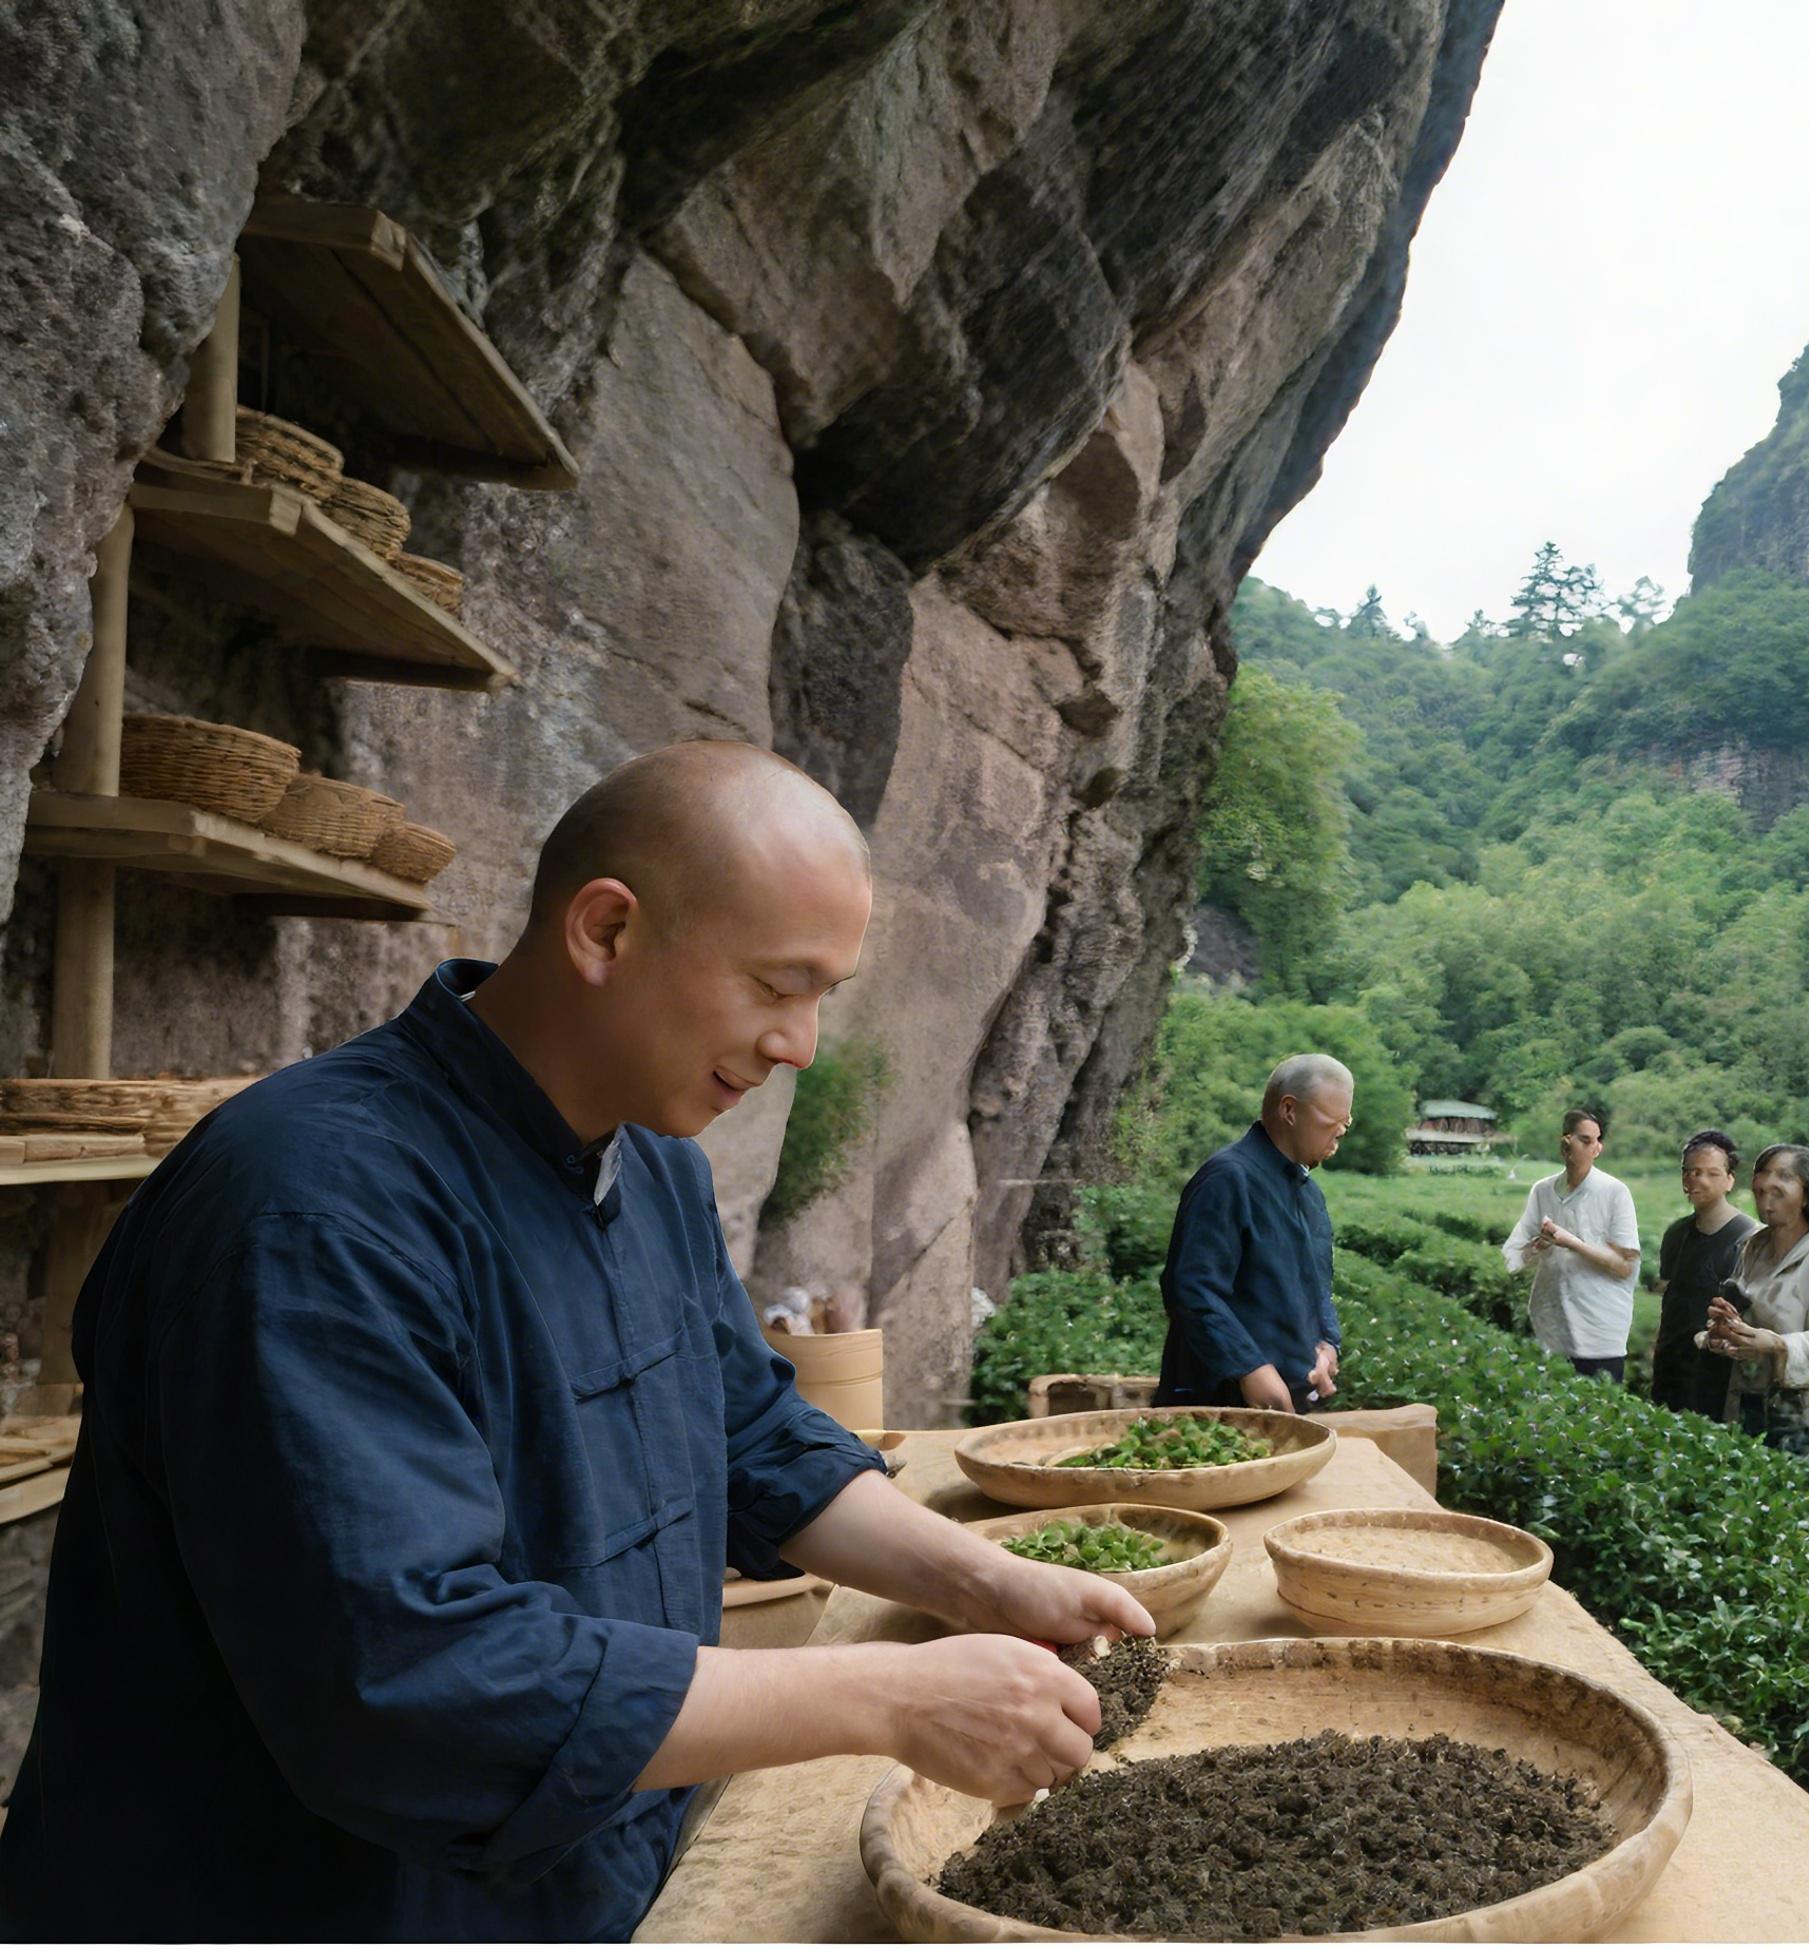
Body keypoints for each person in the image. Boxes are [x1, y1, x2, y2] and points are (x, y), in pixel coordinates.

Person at [0, 744, 1155, 1938]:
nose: (801, 1043)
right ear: (606, 930)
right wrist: (890, 1695)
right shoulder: (310, 1213)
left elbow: (747, 1430)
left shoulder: (647, 1157)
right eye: (778, 985)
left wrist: (984, 1579)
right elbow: (414, 1677)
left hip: (589, 1882)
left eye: (824, 995)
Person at [1159, 1053, 1351, 1411]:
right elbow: (1192, 1291)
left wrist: (1327, 1343)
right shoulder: (1227, 1179)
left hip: (1290, 1405)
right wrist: (1249, 1367)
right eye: (1332, 1121)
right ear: (1289, 1110)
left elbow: (1316, 1286)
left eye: (1346, 1122)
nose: (1341, 1132)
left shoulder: (1309, 1194)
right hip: (1217, 1407)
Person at [1705, 1143, 1809, 1456]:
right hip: (1746, 1404)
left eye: (1781, 1183)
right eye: (1761, 1184)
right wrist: (1726, 1328)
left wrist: (1776, 1345)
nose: (1766, 1192)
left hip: (1801, 1420)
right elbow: (1746, 1310)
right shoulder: (1754, 1245)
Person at [1501, 1107, 1641, 1381]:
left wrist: (1572, 1243)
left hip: (1599, 1335)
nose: (1593, 1148)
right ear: (1565, 1143)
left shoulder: (1615, 1192)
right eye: (1584, 1140)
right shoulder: (1542, 1190)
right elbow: (1512, 1256)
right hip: (1551, 1332)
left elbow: (1626, 1267)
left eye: (1596, 1142)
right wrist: (1534, 1249)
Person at [1650, 1129, 1754, 1417]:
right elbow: (1671, 1299)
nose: (1699, 1180)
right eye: (1692, 1172)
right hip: (1670, 1368)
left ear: (1730, 1180)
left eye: (1712, 1173)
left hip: (1717, 1375)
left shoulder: (1748, 1238)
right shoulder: (1676, 1233)